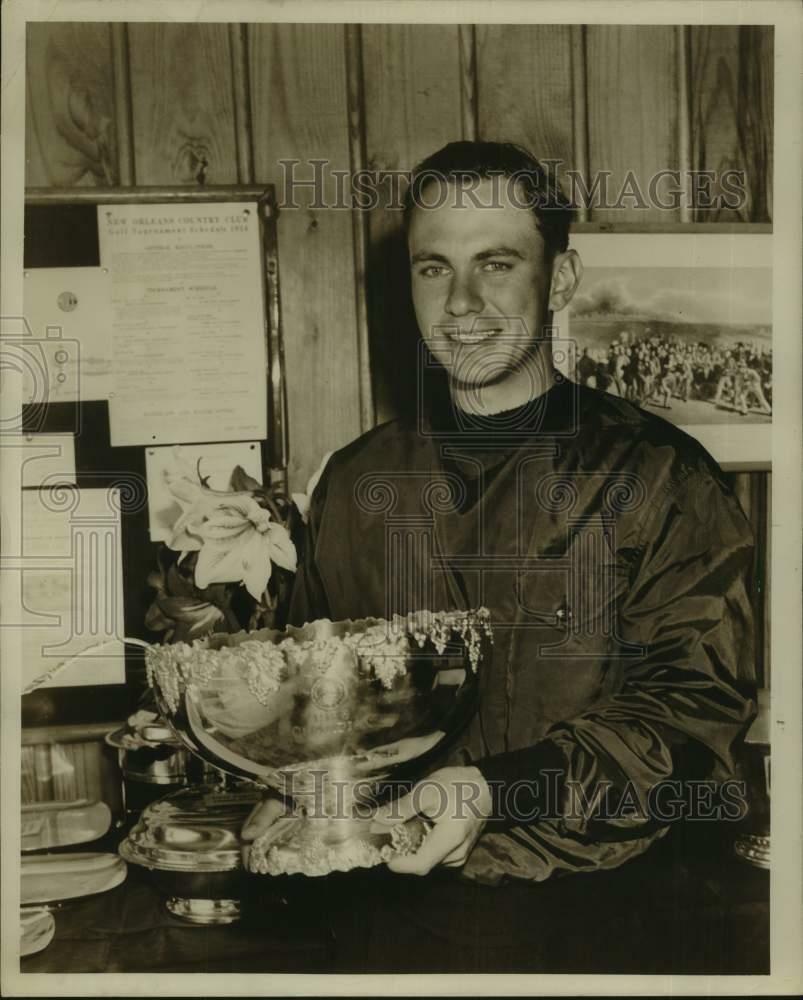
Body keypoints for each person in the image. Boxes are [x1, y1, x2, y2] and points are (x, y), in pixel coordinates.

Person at [242, 141, 756, 885]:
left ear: (560, 279)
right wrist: (287, 789)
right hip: (388, 898)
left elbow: (692, 714)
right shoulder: (357, 484)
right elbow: (317, 699)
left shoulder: (658, 477)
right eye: (433, 268)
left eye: (496, 263)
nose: (460, 303)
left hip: (605, 899)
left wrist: (495, 788)